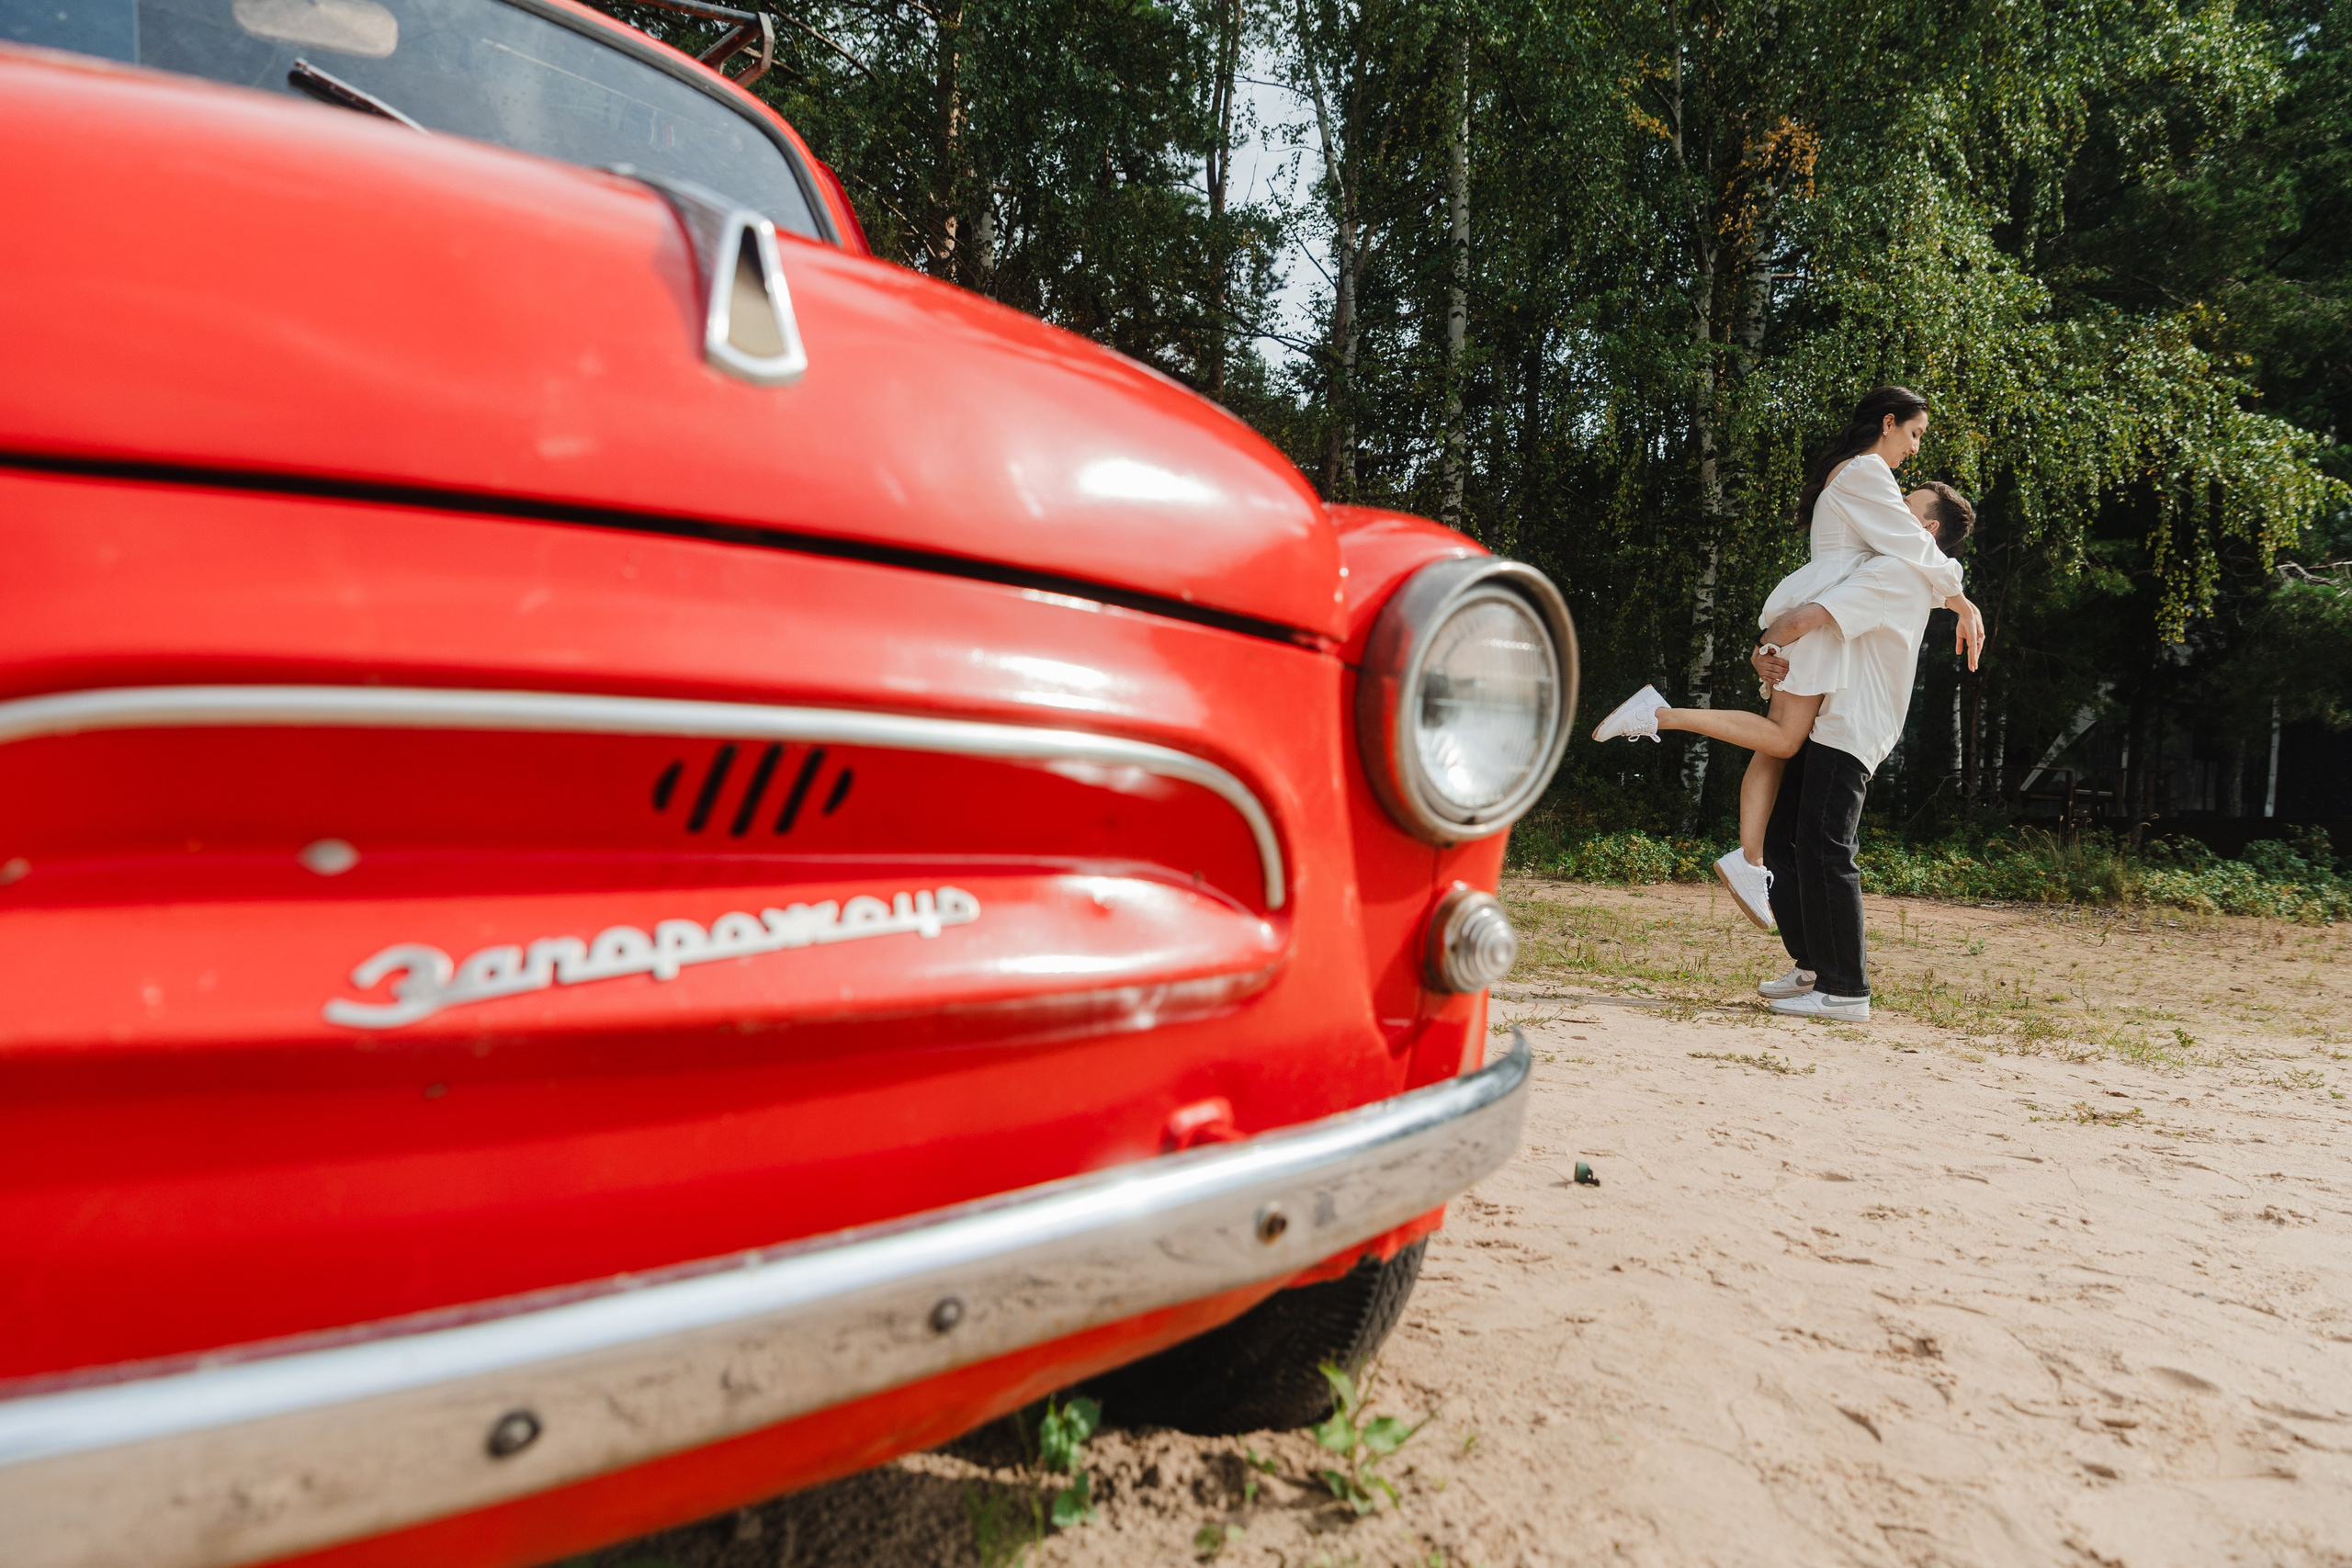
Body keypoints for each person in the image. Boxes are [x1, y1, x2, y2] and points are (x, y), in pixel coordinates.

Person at [1588, 387, 1984, 930]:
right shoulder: (1867, 472)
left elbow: (1911, 556)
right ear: (1888, 423)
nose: (1915, 448)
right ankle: (1658, 717)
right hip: (1823, 617)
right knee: (1783, 738)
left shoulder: (1857, 474)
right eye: (1914, 433)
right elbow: (1915, 549)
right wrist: (1959, 598)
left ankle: (1750, 859)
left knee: (1776, 746)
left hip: (1823, 612)